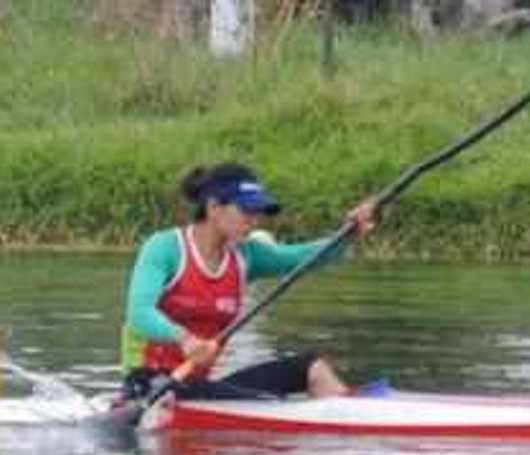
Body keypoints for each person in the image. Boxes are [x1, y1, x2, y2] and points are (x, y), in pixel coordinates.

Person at [120, 162, 377, 402]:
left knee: (312, 368)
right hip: (149, 382)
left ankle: (354, 415)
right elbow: (138, 313)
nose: (254, 221)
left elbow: (304, 257)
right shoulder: (164, 248)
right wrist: (184, 339)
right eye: (246, 210)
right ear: (213, 207)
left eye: (258, 212)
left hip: (198, 386)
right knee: (262, 403)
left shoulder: (247, 254)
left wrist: (349, 233)